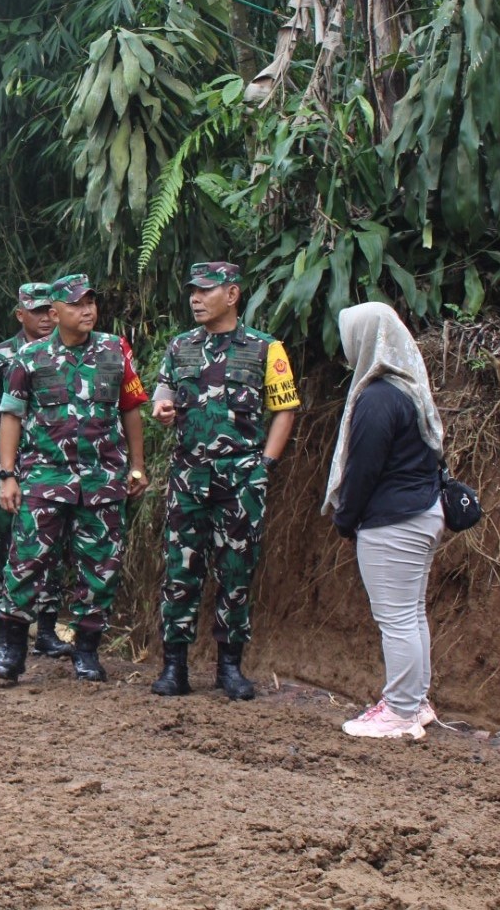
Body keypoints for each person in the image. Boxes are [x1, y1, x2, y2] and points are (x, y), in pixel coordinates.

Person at [149, 262, 300, 700]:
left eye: (205, 291)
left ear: (231, 295)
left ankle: (229, 668)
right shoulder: (179, 348)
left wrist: (264, 465)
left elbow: (284, 409)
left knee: (237, 571)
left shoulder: (266, 349)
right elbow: (162, 401)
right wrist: (163, 413)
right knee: (181, 570)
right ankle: (174, 667)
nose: (195, 298)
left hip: (241, 480)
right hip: (188, 478)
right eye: (192, 291)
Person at [0, 274, 150, 683]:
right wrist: (8, 475)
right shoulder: (29, 358)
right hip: (45, 478)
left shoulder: (115, 350)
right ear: (55, 311)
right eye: (78, 304)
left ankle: (86, 652)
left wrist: (137, 465)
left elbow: (130, 409)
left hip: (102, 480)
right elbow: (10, 415)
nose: (88, 310)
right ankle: (11, 650)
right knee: (26, 562)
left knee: (100, 568)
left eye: (91, 303)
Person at [325, 302, 446, 740]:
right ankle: (415, 702)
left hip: (393, 522)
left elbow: (363, 469)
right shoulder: (408, 388)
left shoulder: (377, 397)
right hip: (422, 513)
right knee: (411, 615)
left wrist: (345, 517)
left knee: (397, 619)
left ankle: (399, 711)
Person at [0, 284, 68, 661]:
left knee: (52, 550)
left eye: (50, 310)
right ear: (20, 314)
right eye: (37, 311)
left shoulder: (67, 352)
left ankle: (45, 630)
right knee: (2, 548)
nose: (45, 318)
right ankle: (1, 631)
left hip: (50, 466)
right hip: (7, 470)